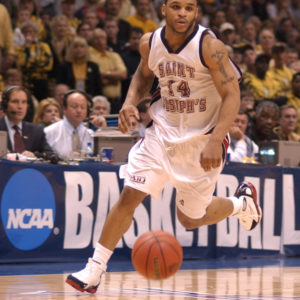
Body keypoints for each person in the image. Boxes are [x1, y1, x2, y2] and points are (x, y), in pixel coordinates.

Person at [66, 0, 262, 293]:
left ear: (196, 11)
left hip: (202, 140)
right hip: (161, 133)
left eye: (189, 8)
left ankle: (240, 204)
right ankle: (94, 270)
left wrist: (215, 139)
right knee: (130, 194)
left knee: (190, 218)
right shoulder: (150, 42)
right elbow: (144, 75)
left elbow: (232, 94)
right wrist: (130, 103)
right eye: (176, 6)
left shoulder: (209, 46)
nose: (182, 13)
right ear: (163, 10)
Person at [0, 86, 54, 158]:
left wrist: (34, 155)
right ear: (5, 105)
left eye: (24, 102)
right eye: (15, 102)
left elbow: (50, 154)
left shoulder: (36, 130)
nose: (20, 106)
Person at [44, 90, 94, 160]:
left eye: (82, 107)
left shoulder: (91, 134)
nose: (79, 110)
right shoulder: (49, 132)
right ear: (64, 109)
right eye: (74, 106)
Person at [89, 28, 127, 113]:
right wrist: (115, 78)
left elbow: (123, 74)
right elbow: (98, 79)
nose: (100, 40)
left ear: (106, 39)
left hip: (116, 101)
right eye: (96, 38)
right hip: (99, 102)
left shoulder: (114, 55)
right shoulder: (89, 56)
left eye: (102, 37)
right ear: (91, 40)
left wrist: (105, 74)